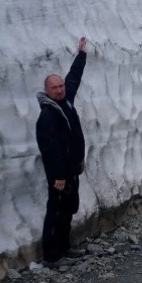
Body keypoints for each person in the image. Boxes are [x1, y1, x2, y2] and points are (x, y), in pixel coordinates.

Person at [36, 36, 88, 264]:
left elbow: (74, 78)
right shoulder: (47, 116)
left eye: (60, 86)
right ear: (47, 92)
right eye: (54, 88)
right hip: (59, 175)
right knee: (56, 213)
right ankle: (51, 256)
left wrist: (82, 55)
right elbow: (49, 148)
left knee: (67, 211)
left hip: (70, 171)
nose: (59, 89)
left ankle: (64, 249)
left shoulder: (65, 102)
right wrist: (58, 175)